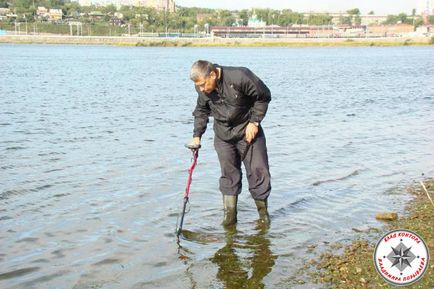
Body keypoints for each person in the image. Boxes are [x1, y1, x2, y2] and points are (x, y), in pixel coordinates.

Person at [188, 60, 271, 227]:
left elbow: (263, 96)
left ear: (212, 74)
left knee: (258, 172)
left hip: (248, 133)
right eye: (198, 87)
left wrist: (254, 122)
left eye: (203, 85)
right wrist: (197, 136)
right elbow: (201, 111)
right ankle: (229, 221)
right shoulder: (203, 87)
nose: (202, 90)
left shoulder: (240, 76)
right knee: (229, 176)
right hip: (223, 136)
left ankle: (263, 218)